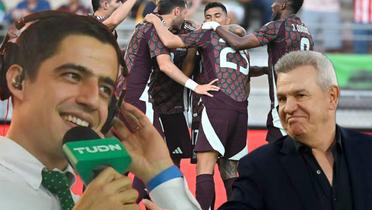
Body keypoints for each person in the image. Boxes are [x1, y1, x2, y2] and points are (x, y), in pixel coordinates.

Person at [130, 51, 372, 210]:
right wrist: (164, 184)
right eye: (282, 98)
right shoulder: (259, 167)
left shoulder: (367, 153)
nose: (287, 107)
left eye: (300, 95)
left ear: (332, 97)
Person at [0, 11, 139, 210]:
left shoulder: (85, 203)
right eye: (73, 76)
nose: (92, 100)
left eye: (105, 89)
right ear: (18, 81)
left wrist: (161, 173)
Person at [144, 2, 258, 209]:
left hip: (214, 106)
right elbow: (247, 82)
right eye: (208, 16)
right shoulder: (243, 44)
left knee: (205, 168)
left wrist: (154, 20)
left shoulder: (208, 35)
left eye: (217, 15)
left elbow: (170, 41)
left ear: (227, 19)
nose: (212, 20)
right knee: (231, 171)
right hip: (241, 110)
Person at [209, 0, 314, 143]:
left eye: (275, 2)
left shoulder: (276, 26)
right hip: (303, 104)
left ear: (283, 5)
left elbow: (239, 43)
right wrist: (265, 70)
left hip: (284, 106)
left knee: (281, 156)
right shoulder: (305, 31)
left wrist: (215, 27)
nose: (272, 6)